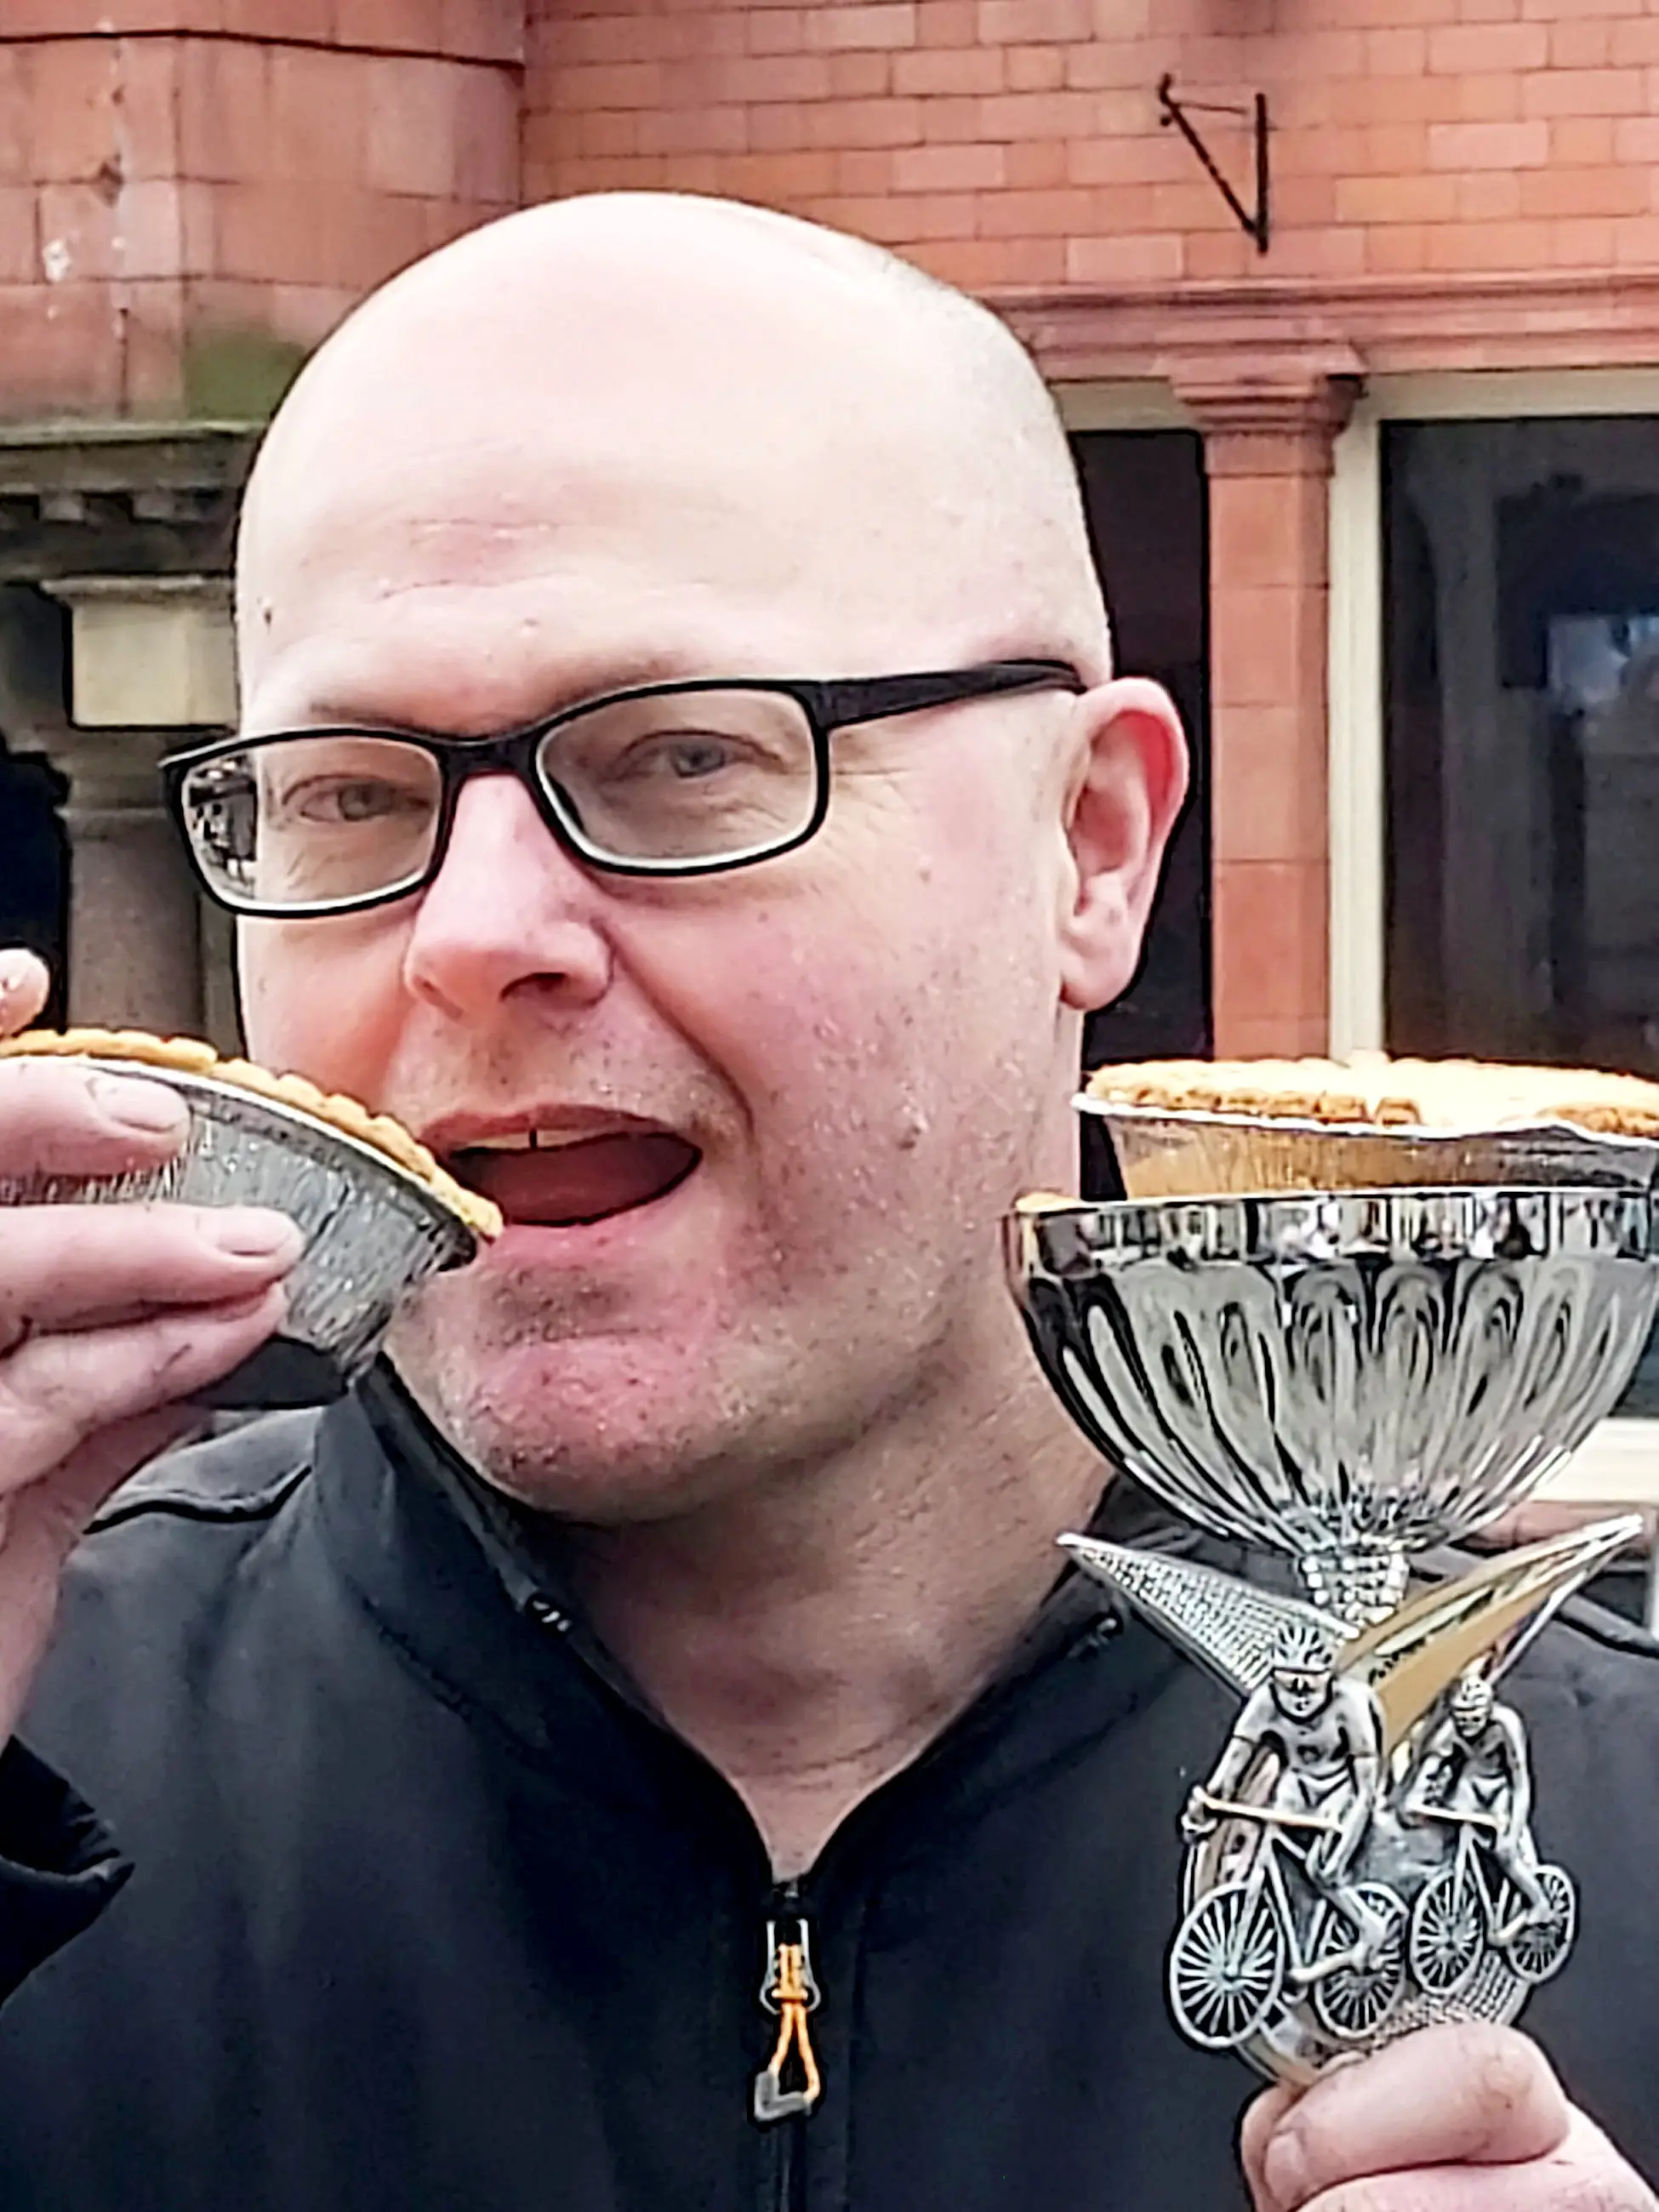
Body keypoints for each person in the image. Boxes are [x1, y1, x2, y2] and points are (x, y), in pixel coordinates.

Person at [0, 192, 1654, 2212]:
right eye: (352, 790)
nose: (474, 934)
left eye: (683, 757)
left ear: (1091, 846)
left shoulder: (1604, 1825)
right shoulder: (45, 1760)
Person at [1184, 1616, 1390, 1983]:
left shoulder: (1350, 1703)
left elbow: (1367, 1781)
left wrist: (1351, 1828)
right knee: (1265, 1850)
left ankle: (1369, 1928)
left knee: (1322, 1870)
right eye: (1288, 1683)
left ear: (1328, 1678)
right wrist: (1209, 1800)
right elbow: (1236, 1758)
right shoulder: (1265, 1702)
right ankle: (1284, 1933)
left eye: (1308, 1685)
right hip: (1297, 1782)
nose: (1297, 1694)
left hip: (1339, 1787)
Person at [1405, 1667, 1556, 1934]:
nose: (1466, 1726)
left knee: (1505, 1852)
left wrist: (1513, 1830)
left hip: (1500, 1789)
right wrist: (1415, 1797)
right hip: (1470, 1784)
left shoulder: (1505, 1725)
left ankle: (1539, 1902)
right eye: (1461, 1719)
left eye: (1473, 1718)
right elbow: (1433, 1764)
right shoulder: (1452, 1728)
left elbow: (1521, 1782)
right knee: (1445, 1835)